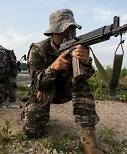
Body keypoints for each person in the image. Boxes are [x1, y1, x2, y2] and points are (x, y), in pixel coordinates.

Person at [21, 9, 103, 154]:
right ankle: (33, 113)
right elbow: (36, 82)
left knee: (81, 83)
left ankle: (88, 136)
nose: (69, 35)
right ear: (52, 33)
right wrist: (53, 68)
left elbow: (85, 76)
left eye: (72, 30)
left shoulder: (79, 46)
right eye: (63, 31)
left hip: (65, 90)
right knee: (32, 131)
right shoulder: (38, 50)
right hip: (44, 92)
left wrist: (85, 64)